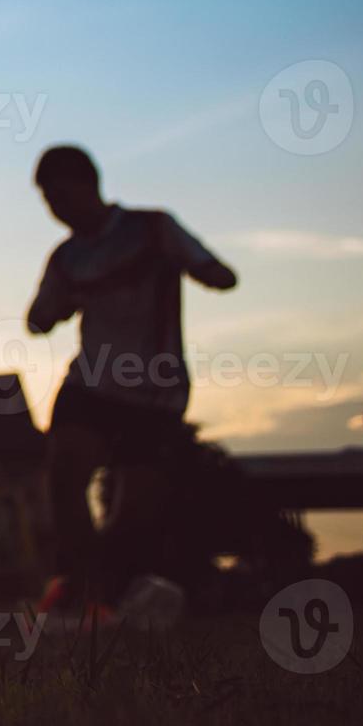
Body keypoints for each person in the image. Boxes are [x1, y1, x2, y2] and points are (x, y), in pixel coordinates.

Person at [24, 145, 235, 617]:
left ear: (88, 184)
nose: (54, 209)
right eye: (46, 201)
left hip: (153, 391)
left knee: (134, 514)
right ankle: (81, 589)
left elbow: (223, 275)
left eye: (58, 196)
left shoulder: (153, 229)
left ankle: (112, 591)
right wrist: (56, 307)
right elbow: (36, 320)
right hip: (90, 385)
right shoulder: (66, 258)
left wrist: (198, 268)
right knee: (63, 476)